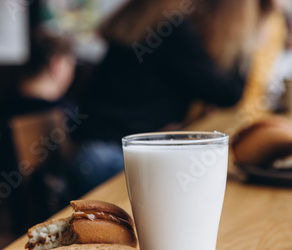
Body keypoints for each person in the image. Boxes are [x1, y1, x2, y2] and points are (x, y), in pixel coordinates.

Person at [71, 0, 275, 195]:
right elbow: (228, 93)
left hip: (92, 151)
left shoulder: (146, 19)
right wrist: (250, 42)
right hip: (111, 159)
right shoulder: (172, 29)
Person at [0, 29, 77, 233]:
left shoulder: (4, 104)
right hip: (51, 219)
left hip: (14, 217)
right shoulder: (62, 112)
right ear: (57, 65)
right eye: (71, 65)